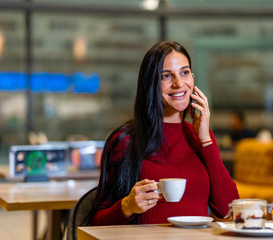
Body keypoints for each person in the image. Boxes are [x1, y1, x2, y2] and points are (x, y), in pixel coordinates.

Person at [88, 41, 239, 226]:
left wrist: (205, 140)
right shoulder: (125, 141)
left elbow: (228, 211)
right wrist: (127, 206)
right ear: (150, 83)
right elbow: (96, 223)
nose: (179, 83)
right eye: (167, 76)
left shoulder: (200, 137)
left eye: (184, 73)